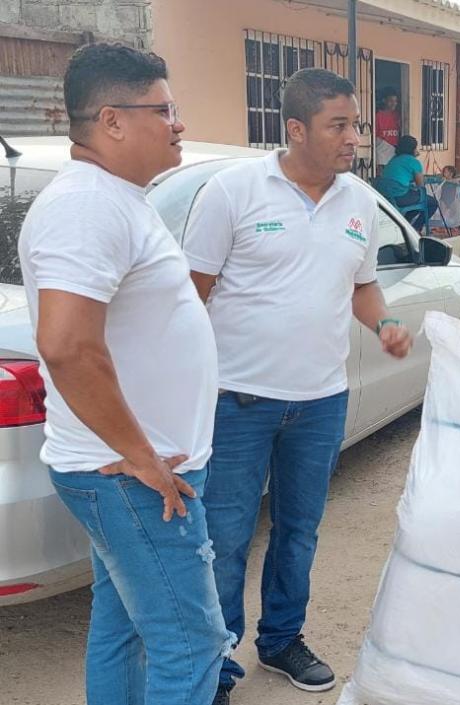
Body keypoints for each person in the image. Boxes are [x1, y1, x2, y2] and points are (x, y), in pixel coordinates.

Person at [182, 68, 414, 704]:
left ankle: (282, 640)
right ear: (295, 129)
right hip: (236, 401)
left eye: (356, 125)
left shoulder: (359, 201)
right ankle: (218, 665)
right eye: (339, 125)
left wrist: (386, 320)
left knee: (298, 530)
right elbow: (188, 299)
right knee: (225, 539)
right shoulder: (232, 193)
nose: (353, 139)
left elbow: (361, 285)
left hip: (319, 402)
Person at [18, 43, 232, 705]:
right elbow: (66, 346)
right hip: (135, 476)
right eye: (164, 110)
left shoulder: (117, 198)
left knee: (124, 629)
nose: (179, 124)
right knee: (191, 644)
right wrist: (141, 455)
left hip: (135, 470)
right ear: (111, 120)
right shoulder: (87, 207)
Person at [379, 135, 438, 226]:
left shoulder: (393, 159)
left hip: (387, 196)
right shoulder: (414, 162)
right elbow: (420, 185)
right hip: (400, 196)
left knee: (415, 201)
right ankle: (416, 228)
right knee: (432, 202)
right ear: (413, 149)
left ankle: (405, 226)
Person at [374, 88, 400, 174]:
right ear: (384, 100)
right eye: (391, 101)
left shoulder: (398, 115)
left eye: (395, 101)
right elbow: (375, 135)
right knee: (381, 173)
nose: (394, 104)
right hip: (382, 147)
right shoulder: (378, 116)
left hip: (395, 149)